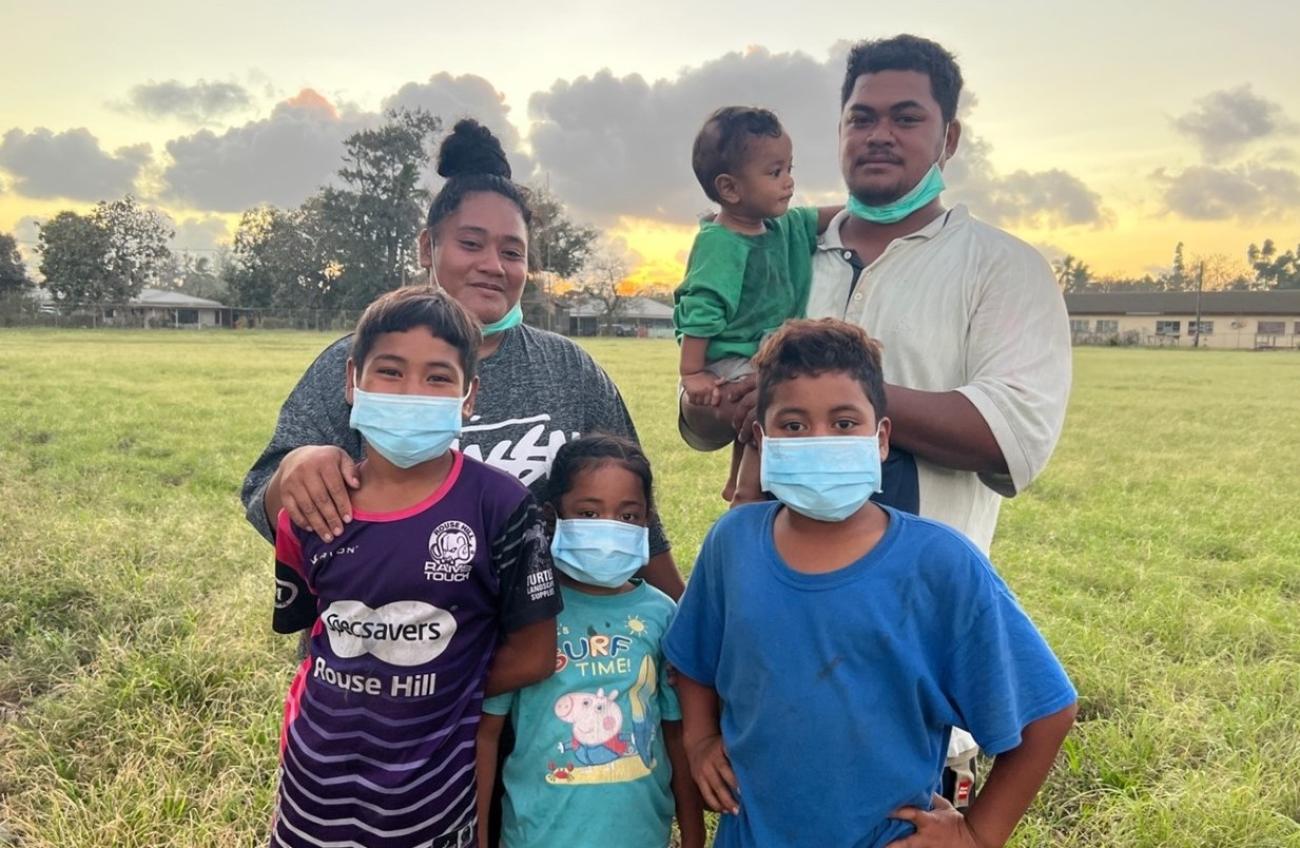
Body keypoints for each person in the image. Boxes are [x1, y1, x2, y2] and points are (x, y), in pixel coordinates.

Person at [686, 33, 1073, 801]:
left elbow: (1010, 433)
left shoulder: (1000, 267)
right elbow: (698, 425)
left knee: (904, 805)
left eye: (907, 117)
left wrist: (835, 393)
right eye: (861, 117)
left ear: (949, 137)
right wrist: (725, 397)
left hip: (916, 637)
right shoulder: (783, 247)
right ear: (838, 132)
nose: (880, 135)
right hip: (777, 632)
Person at [663, 319, 1077, 848]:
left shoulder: (940, 565)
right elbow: (693, 656)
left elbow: (1048, 712)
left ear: (880, 438)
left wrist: (977, 834)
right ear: (763, 442)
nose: (819, 440)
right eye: (793, 426)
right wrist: (699, 740)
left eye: (843, 423)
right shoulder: (734, 543)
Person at [241, 118, 684, 602]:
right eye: (471, 243)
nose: (492, 265)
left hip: (549, 656)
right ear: (428, 247)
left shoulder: (572, 371)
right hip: (384, 652)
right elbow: (264, 498)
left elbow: (638, 515)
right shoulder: (354, 363)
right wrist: (295, 470)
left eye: (512, 251)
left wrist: (683, 628)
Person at [270, 287, 562, 847]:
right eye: (390, 371)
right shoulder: (310, 508)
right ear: (352, 382)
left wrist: (443, 685)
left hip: (430, 799)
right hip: (312, 786)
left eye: (437, 378)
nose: (412, 393)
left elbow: (534, 653)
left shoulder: (500, 507)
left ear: (469, 396)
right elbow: (316, 634)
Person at [475, 435, 705, 848]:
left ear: (648, 520)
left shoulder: (661, 614)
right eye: (589, 512)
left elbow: (676, 734)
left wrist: (692, 833)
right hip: (535, 837)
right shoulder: (528, 614)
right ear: (551, 516)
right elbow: (487, 734)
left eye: (628, 516)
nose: (609, 528)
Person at [673, 106, 821, 505]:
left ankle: (735, 479)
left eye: (790, 169)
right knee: (769, 401)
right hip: (728, 356)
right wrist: (692, 372)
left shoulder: (778, 226)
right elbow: (701, 308)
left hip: (756, 352)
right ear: (731, 189)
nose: (789, 183)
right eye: (775, 173)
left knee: (764, 392)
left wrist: (868, 213)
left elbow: (823, 217)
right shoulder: (721, 243)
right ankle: (746, 493)